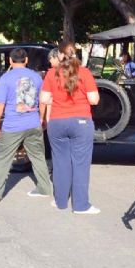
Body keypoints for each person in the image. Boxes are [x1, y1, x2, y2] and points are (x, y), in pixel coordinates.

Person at [40, 41, 100, 214]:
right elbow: (94, 99)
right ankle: (81, 205)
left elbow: (44, 99)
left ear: (59, 55)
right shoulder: (85, 73)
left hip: (57, 123)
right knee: (80, 164)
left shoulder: (52, 73)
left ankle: (60, 201)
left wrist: (57, 100)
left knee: (60, 163)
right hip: (81, 122)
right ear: (77, 54)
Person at [0, 48, 52, 202]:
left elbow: (0, 103)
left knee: (3, 158)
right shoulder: (36, 77)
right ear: (26, 60)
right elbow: (43, 100)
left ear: (10, 60)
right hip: (32, 123)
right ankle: (45, 188)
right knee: (38, 157)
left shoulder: (5, 78)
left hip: (13, 126)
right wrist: (41, 119)